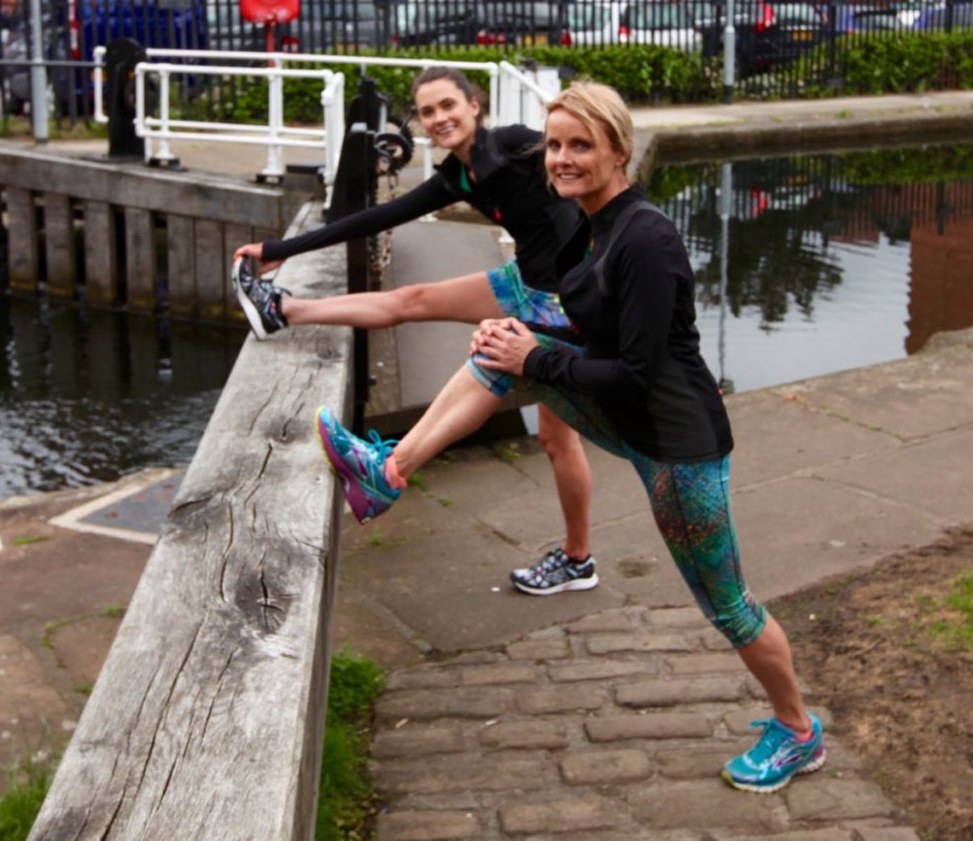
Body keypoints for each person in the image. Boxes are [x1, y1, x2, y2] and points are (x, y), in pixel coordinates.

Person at [314, 80, 826, 794]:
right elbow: (598, 335)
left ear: (619, 150)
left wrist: (538, 356)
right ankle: (387, 471)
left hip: (677, 449)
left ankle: (799, 732)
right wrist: (525, 339)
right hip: (636, 420)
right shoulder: (594, 222)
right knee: (497, 346)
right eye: (555, 145)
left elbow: (640, 371)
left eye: (581, 145)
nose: (562, 158)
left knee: (729, 605)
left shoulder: (643, 237)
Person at [231, 65, 598, 597]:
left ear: (474, 104)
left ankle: (573, 556)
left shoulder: (518, 145)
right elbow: (375, 219)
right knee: (413, 299)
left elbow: (587, 180)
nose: (439, 118)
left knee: (546, 428)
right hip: (523, 282)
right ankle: (284, 309)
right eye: (427, 112)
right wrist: (277, 252)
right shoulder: (458, 176)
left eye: (448, 105)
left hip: (561, 304)